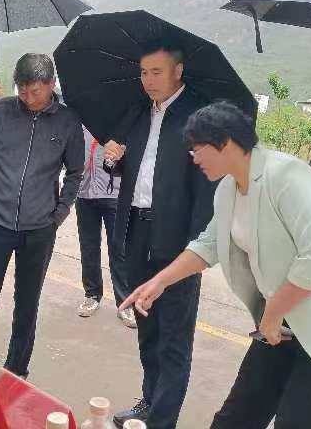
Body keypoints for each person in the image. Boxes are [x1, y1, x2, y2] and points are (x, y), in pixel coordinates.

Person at [120, 101, 311, 429]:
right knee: (238, 416)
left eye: (197, 149)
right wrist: (159, 282)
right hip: (284, 321)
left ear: (225, 143)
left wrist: (273, 313)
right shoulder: (228, 189)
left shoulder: (288, 177)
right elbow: (209, 244)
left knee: (299, 422)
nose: (193, 158)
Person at [103, 40, 216, 429]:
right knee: (147, 327)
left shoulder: (199, 117)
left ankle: (161, 421)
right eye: (143, 72)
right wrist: (114, 160)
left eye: (156, 72)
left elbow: (208, 186)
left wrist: (197, 245)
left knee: (173, 339)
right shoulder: (139, 111)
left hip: (177, 240)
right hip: (136, 230)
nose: (148, 80)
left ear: (177, 72)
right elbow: (133, 168)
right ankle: (149, 402)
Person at [0, 53, 84, 378]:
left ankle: (16, 371)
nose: (28, 99)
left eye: (35, 92)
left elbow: (75, 172)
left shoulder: (68, 120)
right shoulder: (1, 111)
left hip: (39, 229)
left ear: (51, 84)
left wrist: (59, 213)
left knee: (27, 303)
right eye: (22, 91)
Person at [76, 125, 135, 328]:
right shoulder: (81, 126)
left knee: (119, 249)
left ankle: (125, 302)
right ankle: (92, 294)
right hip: (84, 194)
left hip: (113, 196)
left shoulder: (118, 125)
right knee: (88, 248)